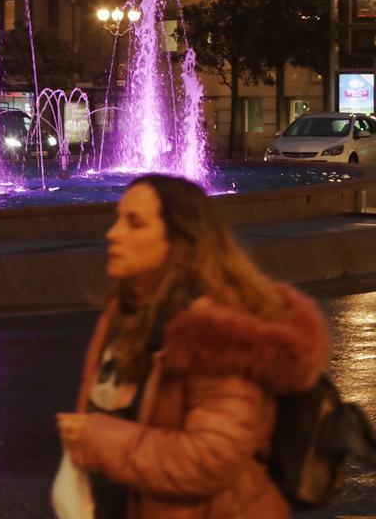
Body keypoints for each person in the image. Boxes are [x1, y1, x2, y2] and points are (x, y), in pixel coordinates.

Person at [56, 173, 330, 519]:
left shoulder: (217, 331)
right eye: (118, 219)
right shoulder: (125, 311)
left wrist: (97, 441)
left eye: (134, 224)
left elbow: (211, 458)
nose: (113, 234)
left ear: (181, 240)